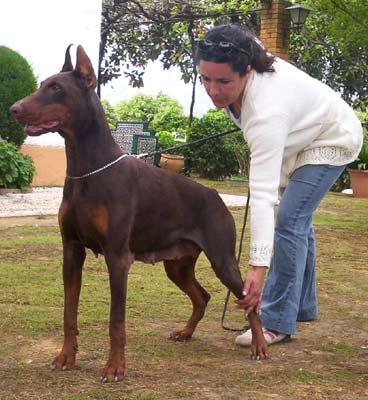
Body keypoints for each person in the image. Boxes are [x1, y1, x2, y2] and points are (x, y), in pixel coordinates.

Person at [196, 24, 363, 346]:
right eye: (206, 79)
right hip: (300, 137)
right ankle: (300, 304)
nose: (213, 90)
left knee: (289, 221)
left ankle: (276, 320)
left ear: (246, 71)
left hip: (333, 138)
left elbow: (262, 196)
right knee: (297, 221)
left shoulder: (265, 112)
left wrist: (257, 269)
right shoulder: (243, 55)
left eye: (224, 82)